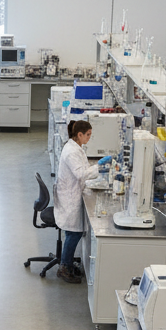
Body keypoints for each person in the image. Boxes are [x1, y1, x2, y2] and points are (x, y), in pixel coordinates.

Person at [54, 118, 110, 284]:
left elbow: (83, 171)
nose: (90, 137)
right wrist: (99, 166)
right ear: (79, 134)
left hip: (72, 192)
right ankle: (64, 267)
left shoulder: (75, 147)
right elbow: (80, 174)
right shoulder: (72, 152)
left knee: (73, 232)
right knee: (74, 233)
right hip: (69, 197)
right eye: (88, 134)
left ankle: (68, 262)